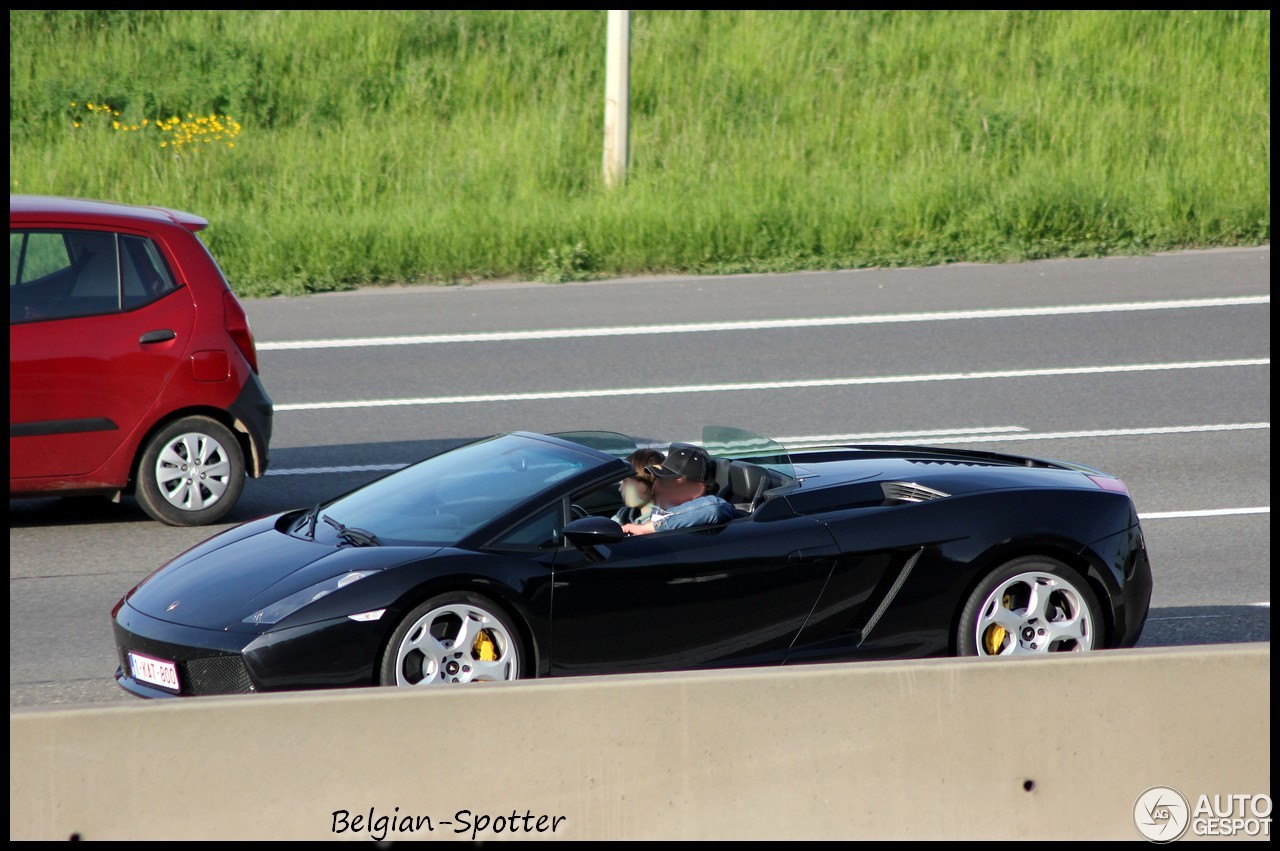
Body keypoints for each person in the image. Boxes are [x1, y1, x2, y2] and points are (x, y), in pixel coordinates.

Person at [621, 443, 735, 536]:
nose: (655, 484)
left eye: (664, 480)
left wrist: (646, 528)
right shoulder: (658, 511)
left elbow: (713, 507)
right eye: (657, 478)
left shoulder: (702, 512)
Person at [611, 448, 665, 526]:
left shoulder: (661, 523)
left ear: (653, 483)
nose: (620, 489)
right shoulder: (625, 514)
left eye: (627, 482)